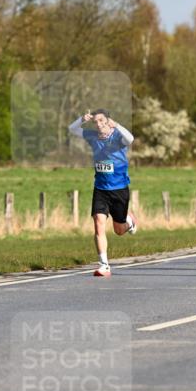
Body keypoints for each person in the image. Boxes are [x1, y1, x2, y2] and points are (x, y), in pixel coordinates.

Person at [68, 109, 136, 277]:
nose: (98, 124)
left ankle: (129, 221)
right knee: (99, 223)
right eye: (95, 122)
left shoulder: (117, 137)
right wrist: (81, 119)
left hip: (119, 189)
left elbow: (130, 139)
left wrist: (118, 126)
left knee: (119, 230)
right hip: (100, 188)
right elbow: (72, 129)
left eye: (101, 121)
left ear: (108, 121)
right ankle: (104, 265)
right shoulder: (92, 136)